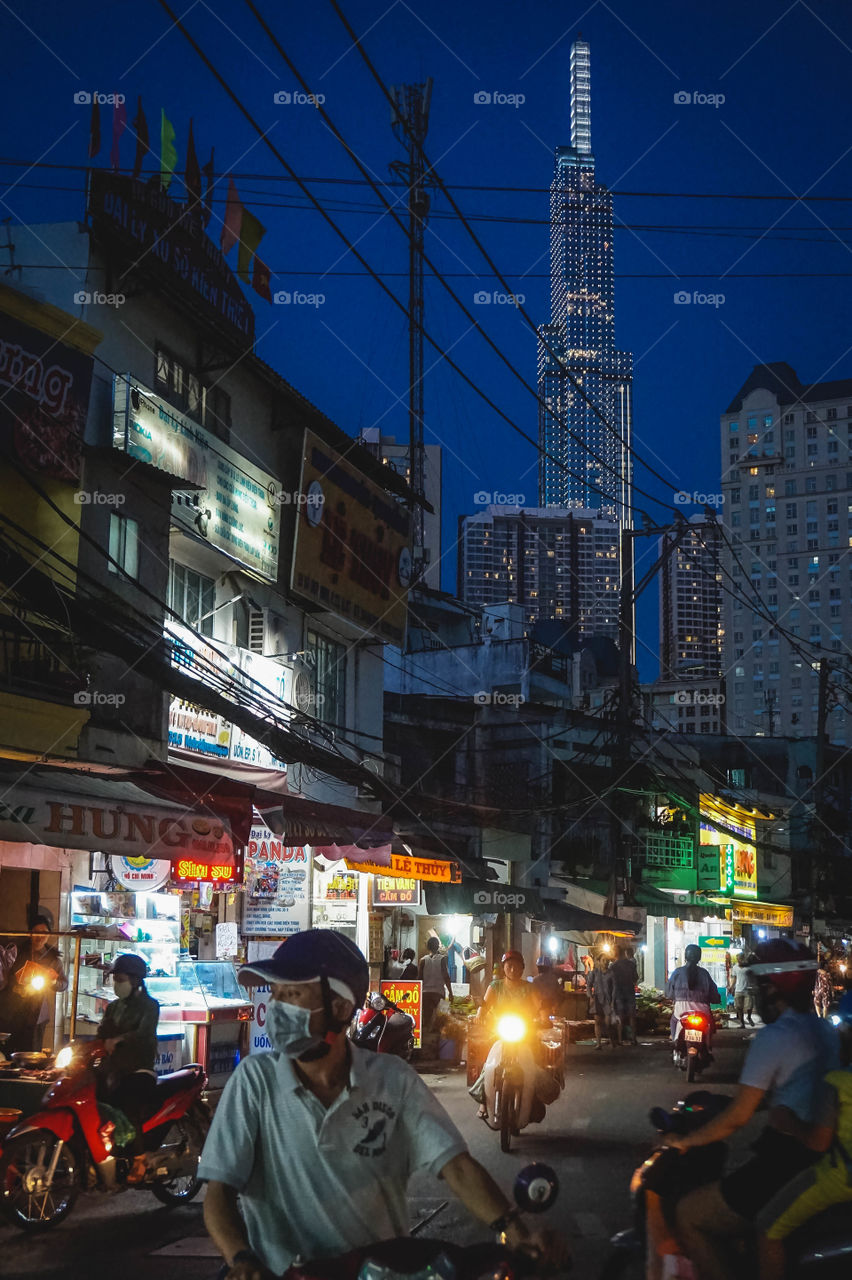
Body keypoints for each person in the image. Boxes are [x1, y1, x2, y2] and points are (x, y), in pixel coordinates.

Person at [200, 930, 568, 1280]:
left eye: (292, 996)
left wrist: (517, 1233)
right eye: (275, 994)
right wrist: (241, 1259)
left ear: (341, 1007)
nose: (276, 1007)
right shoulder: (254, 1081)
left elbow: (456, 1168)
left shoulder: (392, 1079)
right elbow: (219, 1191)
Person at [661, 939, 840, 1280]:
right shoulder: (824, 1031)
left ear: (777, 987)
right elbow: (795, 1093)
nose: (757, 991)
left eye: (762, 984)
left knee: (689, 1214)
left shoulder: (774, 1037)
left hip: (785, 1161)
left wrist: (686, 1142)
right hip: (821, 1158)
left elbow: (736, 1119)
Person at [96, 953, 160, 1185]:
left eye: (121, 979)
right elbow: (102, 1032)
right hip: (113, 1069)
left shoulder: (150, 1006)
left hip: (139, 1070)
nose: (116, 984)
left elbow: (143, 1034)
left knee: (127, 1101)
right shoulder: (113, 1007)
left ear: (135, 980)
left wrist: (119, 1039)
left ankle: (140, 1157)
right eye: (115, 979)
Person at [0, 916, 68, 1053]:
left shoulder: (53, 959)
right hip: (11, 1011)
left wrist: (53, 981)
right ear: (30, 933)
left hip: (36, 1015)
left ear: (49, 934)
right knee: (6, 1052)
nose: (40, 936)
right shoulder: (16, 952)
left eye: (44, 932)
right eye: (36, 932)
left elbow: (64, 984)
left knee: (30, 1054)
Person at [665, 944, 720, 1045]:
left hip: (681, 1009)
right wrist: (716, 999)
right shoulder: (704, 973)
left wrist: (674, 997)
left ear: (685, 956)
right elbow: (714, 994)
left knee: (673, 1021)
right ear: (699, 957)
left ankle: (675, 1043)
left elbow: (669, 993)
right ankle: (708, 1047)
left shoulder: (677, 972)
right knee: (710, 1024)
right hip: (702, 1010)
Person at [418, 936, 453, 1031]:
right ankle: (438, 1040)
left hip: (425, 993)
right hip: (438, 993)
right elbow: (446, 977)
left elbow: (419, 979)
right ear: (437, 947)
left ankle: (427, 1040)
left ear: (427, 947)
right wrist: (450, 992)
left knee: (427, 1020)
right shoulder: (442, 959)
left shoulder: (423, 960)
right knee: (440, 1020)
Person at [608, 946, 639, 1046]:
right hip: (629, 991)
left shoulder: (613, 966)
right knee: (631, 1017)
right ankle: (633, 1039)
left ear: (617, 953)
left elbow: (610, 982)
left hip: (618, 993)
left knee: (620, 1016)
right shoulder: (631, 964)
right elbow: (636, 978)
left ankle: (620, 1039)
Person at [588, 953, 615, 1050]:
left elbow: (614, 988)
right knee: (598, 1022)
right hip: (597, 1000)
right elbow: (589, 985)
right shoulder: (594, 973)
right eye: (603, 960)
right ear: (598, 961)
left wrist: (613, 1001)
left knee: (608, 1023)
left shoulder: (611, 974)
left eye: (607, 960)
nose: (606, 962)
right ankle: (598, 1043)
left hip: (607, 1001)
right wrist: (590, 997)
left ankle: (612, 1041)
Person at [733, 952, 757, 1028]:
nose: (738, 960)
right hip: (738, 989)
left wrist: (754, 985)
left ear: (743, 958)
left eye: (739, 959)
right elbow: (734, 978)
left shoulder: (749, 967)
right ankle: (742, 1023)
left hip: (747, 989)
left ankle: (749, 1017)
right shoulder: (735, 967)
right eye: (737, 959)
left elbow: (753, 977)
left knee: (749, 1006)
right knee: (739, 1008)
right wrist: (731, 986)